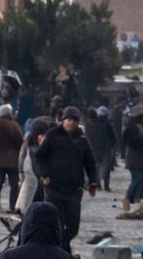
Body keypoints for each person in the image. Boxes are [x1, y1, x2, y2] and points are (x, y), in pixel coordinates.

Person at [34, 107, 98, 251]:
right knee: (55, 222)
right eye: (69, 119)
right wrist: (44, 174)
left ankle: (63, 246)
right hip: (53, 188)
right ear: (63, 120)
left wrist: (93, 181)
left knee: (73, 226)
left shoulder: (81, 139)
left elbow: (90, 162)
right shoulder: (52, 135)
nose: (72, 123)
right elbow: (39, 157)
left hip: (74, 190)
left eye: (75, 120)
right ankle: (60, 251)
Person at [0, 107, 25, 206]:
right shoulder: (14, 125)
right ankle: (12, 204)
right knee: (14, 184)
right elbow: (20, 141)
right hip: (13, 159)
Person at [122, 112, 143, 212]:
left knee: (139, 178)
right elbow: (138, 143)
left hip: (136, 157)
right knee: (138, 178)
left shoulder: (132, 127)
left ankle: (132, 199)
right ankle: (128, 199)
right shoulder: (134, 129)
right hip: (136, 157)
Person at [86, 105, 118, 193]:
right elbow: (113, 137)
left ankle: (98, 185)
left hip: (94, 149)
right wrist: (114, 145)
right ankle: (106, 186)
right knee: (106, 168)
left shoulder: (89, 124)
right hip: (105, 148)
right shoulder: (107, 124)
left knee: (97, 167)